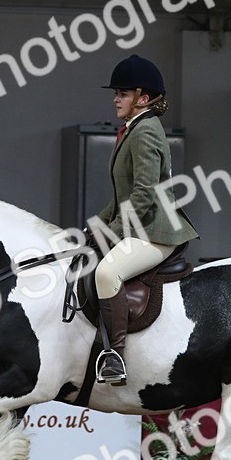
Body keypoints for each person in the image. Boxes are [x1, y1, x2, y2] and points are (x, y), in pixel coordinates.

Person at [91, 55, 199, 385]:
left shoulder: (145, 132)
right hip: (142, 224)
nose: (116, 99)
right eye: (116, 93)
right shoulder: (133, 129)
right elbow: (121, 195)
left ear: (143, 98)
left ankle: (115, 356)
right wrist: (97, 225)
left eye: (122, 93)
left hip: (156, 231)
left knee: (107, 273)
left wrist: (112, 232)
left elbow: (143, 194)